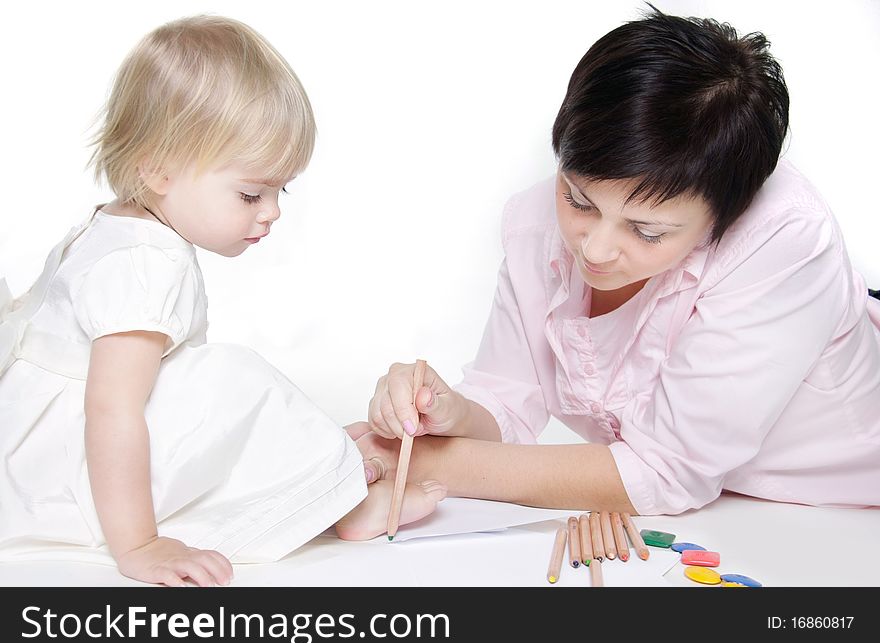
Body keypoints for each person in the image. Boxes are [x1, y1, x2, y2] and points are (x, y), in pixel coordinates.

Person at [351, 8, 880, 516]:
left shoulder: (783, 236)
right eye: (579, 200)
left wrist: (428, 462)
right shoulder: (536, 221)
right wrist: (445, 414)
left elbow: (668, 472)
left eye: (648, 231)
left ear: (727, 215)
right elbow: (509, 398)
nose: (595, 250)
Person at [0, 15, 444, 587]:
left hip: (37, 444)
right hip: (64, 466)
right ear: (157, 169)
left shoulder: (114, 226)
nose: (272, 211)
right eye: (250, 193)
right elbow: (112, 413)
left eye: (279, 190)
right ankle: (345, 504)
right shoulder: (144, 264)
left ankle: (316, 470)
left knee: (200, 392)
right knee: (236, 383)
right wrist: (141, 545)